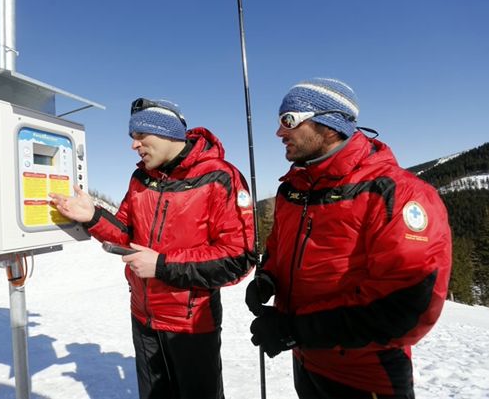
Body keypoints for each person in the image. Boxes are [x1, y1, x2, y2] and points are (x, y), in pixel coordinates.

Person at [245, 78, 452, 399]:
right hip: (307, 363)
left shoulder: (395, 193)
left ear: (330, 126)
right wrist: (268, 278)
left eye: (289, 120)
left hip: (365, 377)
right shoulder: (293, 190)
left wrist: (293, 329)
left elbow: (408, 306)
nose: (279, 132)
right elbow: (278, 249)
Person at [50, 97, 256, 399]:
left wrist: (161, 265)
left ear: (168, 133)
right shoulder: (140, 178)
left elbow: (238, 258)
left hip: (191, 325)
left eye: (140, 136)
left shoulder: (219, 177)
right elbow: (125, 235)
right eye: (132, 138)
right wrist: (92, 216)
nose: (134, 146)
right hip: (143, 319)